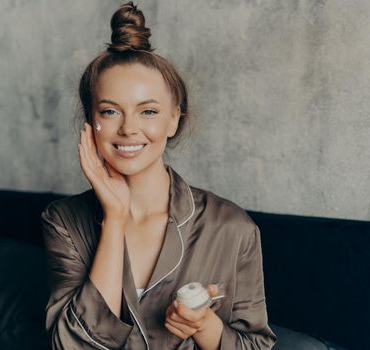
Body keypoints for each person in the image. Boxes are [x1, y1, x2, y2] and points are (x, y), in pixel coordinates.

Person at [40, 2, 277, 349]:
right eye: (110, 111)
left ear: (174, 119)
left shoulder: (233, 228)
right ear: (92, 123)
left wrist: (204, 325)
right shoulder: (63, 222)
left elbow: (255, 345)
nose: (130, 129)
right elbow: (73, 345)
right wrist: (115, 220)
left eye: (148, 111)